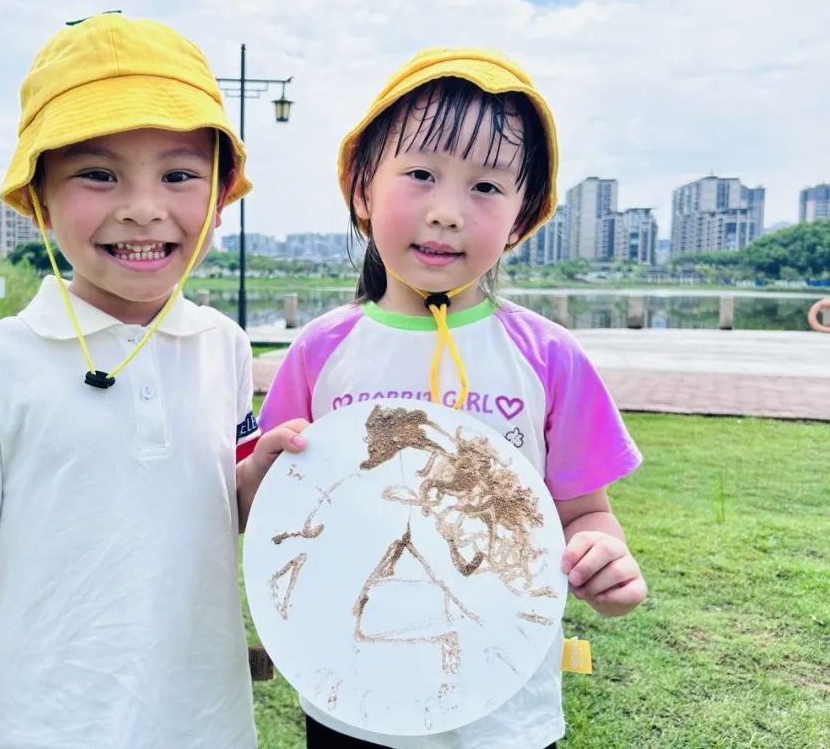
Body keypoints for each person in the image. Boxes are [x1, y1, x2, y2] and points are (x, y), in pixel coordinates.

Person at [0, 13, 306, 749]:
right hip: (47, 728)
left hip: (207, 726)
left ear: (219, 197)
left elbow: (208, 511)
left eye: (180, 174)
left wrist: (261, 478)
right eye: (98, 172)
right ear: (40, 197)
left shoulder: (225, 347)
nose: (143, 206)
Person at [259, 47, 647, 749]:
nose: (446, 212)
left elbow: (586, 512)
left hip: (506, 712)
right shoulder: (319, 352)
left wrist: (602, 554)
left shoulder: (549, 357)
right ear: (361, 192)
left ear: (524, 216)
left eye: (487, 188)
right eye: (420, 175)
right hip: (351, 701)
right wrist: (261, 472)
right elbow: (275, 506)